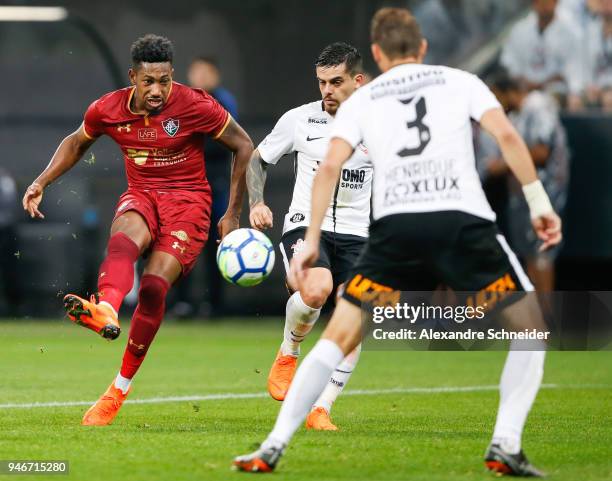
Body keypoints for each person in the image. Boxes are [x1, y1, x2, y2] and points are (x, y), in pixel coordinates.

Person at [234, 7, 561, 476]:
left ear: (377, 55)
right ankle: (505, 442)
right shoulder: (459, 81)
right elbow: (507, 135)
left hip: (395, 228)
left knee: (341, 333)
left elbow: (329, 167)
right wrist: (539, 204)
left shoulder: (368, 101)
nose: (327, 91)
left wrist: (308, 239)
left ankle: (274, 444)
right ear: (423, 48)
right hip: (460, 218)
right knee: (529, 328)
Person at [22, 34, 253, 426]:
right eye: (148, 81)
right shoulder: (108, 109)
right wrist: (42, 181)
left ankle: (118, 389)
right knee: (122, 242)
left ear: (172, 76)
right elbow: (77, 142)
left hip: (188, 204)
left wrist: (232, 212)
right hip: (142, 194)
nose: (157, 90)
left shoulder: (195, 104)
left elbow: (244, 145)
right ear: (133, 77)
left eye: (164, 80)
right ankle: (107, 308)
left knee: (151, 288)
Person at [247, 42, 372, 430]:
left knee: (355, 316)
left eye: (336, 82)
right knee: (317, 288)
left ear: (358, 80)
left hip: (359, 232)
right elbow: (258, 158)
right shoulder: (300, 120)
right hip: (307, 224)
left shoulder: (380, 124)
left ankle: (322, 408)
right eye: (321, 83)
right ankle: (289, 350)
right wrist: (256, 202)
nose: (327, 91)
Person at [481, 72, 569, 296]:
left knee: (542, 254)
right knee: (529, 254)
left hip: (545, 191)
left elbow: (542, 151)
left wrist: (503, 165)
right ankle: (537, 318)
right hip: (522, 195)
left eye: (496, 97)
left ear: (505, 92)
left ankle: (546, 319)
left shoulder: (536, 106)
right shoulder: (517, 115)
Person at [167, 56, 240, 318]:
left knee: (214, 244)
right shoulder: (181, 100)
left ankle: (215, 304)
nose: (200, 77)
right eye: (196, 72)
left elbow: (226, 141)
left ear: (215, 75)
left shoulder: (223, 101)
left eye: (205, 72)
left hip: (215, 184)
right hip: (185, 185)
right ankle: (182, 302)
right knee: (182, 242)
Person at [500, 0, 583, 108]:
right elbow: (509, 62)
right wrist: (522, 81)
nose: (543, 6)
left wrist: (545, 83)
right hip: (524, 89)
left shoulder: (570, 31)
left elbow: (574, 70)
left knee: (537, 102)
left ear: (556, 3)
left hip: (556, 91)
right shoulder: (521, 29)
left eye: (547, 2)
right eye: (539, 2)